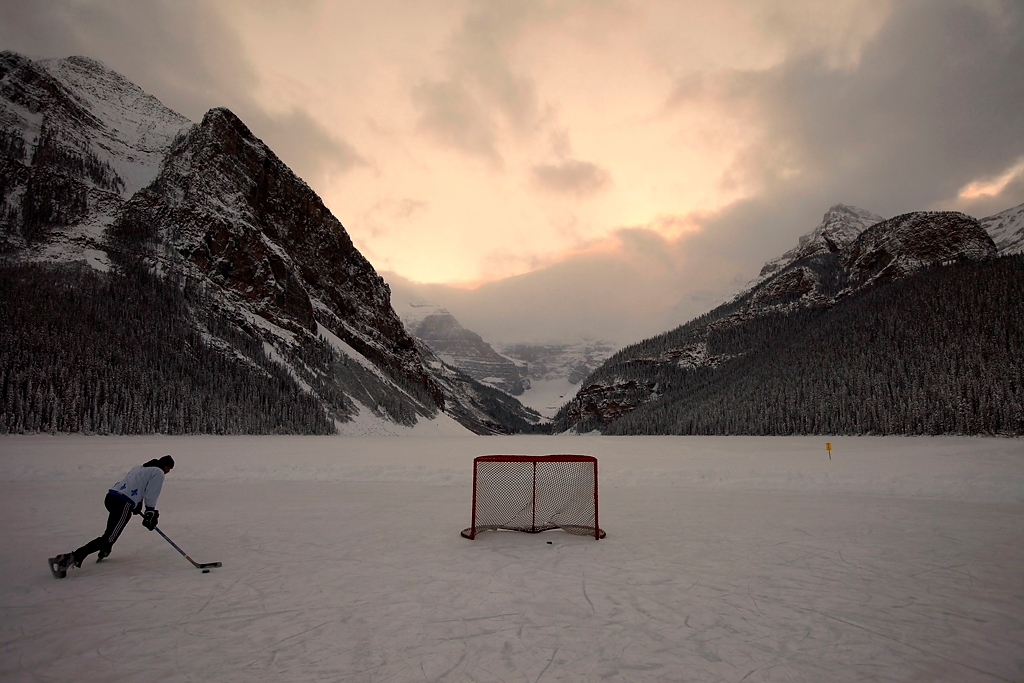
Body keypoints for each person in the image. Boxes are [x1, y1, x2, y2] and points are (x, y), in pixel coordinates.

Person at [49, 455, 174, 579]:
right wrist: (150, 510)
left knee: (114, 529)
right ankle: (67, 559)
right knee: (109, 536)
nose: (168, 471)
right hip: (123, 502)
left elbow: (134, 484)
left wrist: (137, 503)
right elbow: (152, 492)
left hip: (111, 497)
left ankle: (106, 547)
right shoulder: (158, 472)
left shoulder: (139, 468)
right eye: (169, 468)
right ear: (164, 465)